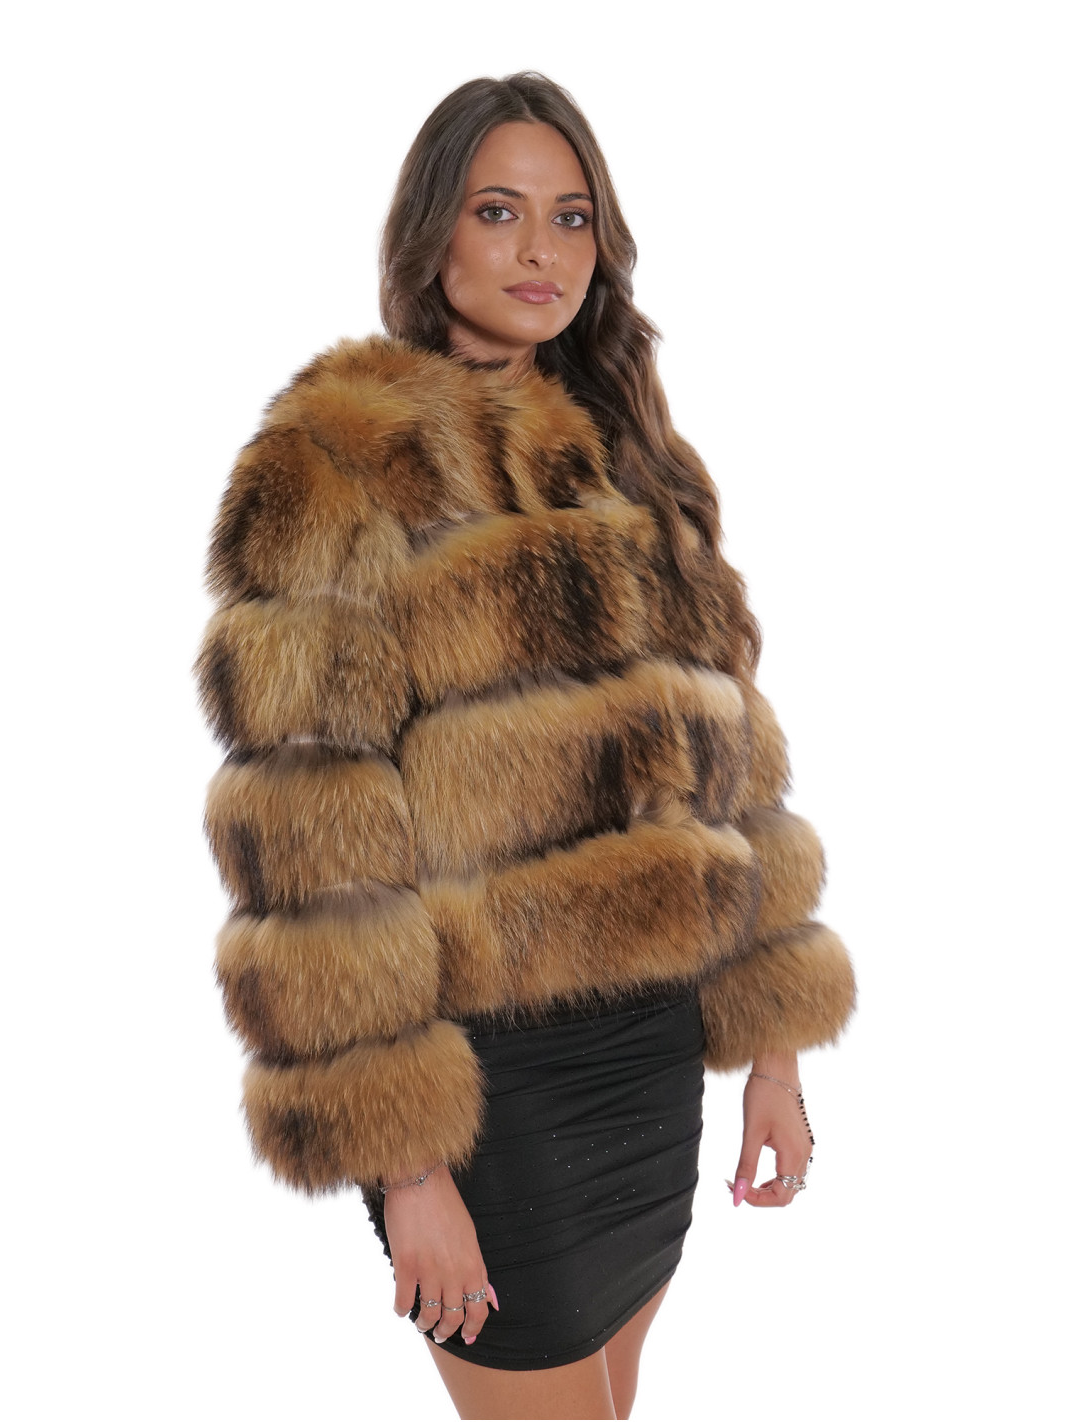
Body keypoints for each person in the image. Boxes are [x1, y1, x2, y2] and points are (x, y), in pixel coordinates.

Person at [194, 71, 856, 1421]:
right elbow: (313, 838)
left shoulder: (636, 461)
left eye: (571, 217)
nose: (540, 250)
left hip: (654, 1052)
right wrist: (408, 1163)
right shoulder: (341, 462)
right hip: (489, 1088)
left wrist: (776, 1056)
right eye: (498, 212)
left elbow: (738, 773)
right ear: (430, 233)